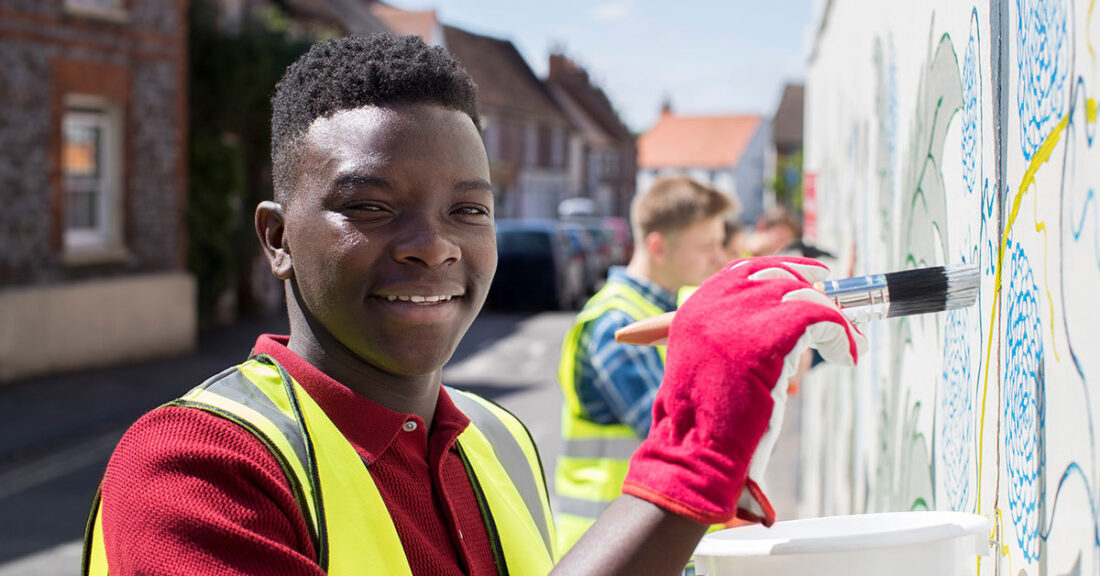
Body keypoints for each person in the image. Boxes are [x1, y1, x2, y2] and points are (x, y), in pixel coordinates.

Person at [82, 34, 865, 576]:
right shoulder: (193, 468)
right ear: (278, 238)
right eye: (373, 206)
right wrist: (689, 461)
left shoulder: (498, 440)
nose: (434, 246)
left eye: (469, 210)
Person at [554, 176, 734, 552]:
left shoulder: (675, 308)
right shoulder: (618, 326)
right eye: (708, 246)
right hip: (615, 549)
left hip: (650, 543)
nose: (721, 257)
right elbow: (683, 440)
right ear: (658, 247)